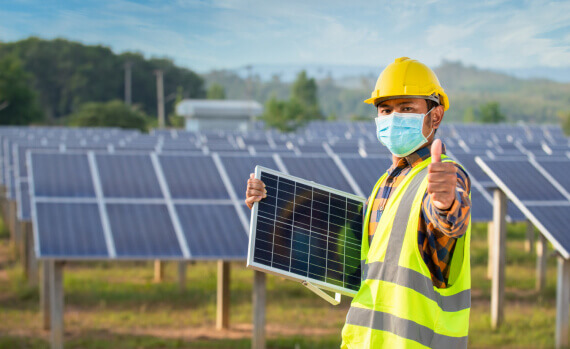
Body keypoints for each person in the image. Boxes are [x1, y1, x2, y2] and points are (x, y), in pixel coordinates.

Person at [245, 57, 471, 349]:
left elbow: (447, 225)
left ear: (435, 116)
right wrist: (268, 208)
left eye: (406, 109)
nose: (393, 117)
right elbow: (347, 265)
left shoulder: (444, 177)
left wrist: (445, 203)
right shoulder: (384, 186)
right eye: (386, 109)